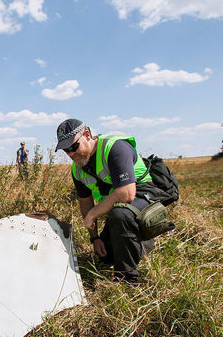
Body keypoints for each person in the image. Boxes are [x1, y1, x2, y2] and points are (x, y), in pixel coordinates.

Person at [55, 118, 167, 282]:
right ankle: (139, 241)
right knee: (107, 255)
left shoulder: (114, 147)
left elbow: (126, 193)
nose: (71, 153)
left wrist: (93, 214)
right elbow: (85, 203)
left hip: (143, 195)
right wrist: (95, 238)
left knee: (120, 215)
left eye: (73, 146)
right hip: (117, 207)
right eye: (66, 150)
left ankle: (126, 279)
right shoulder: (77, 169)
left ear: (87, 135)